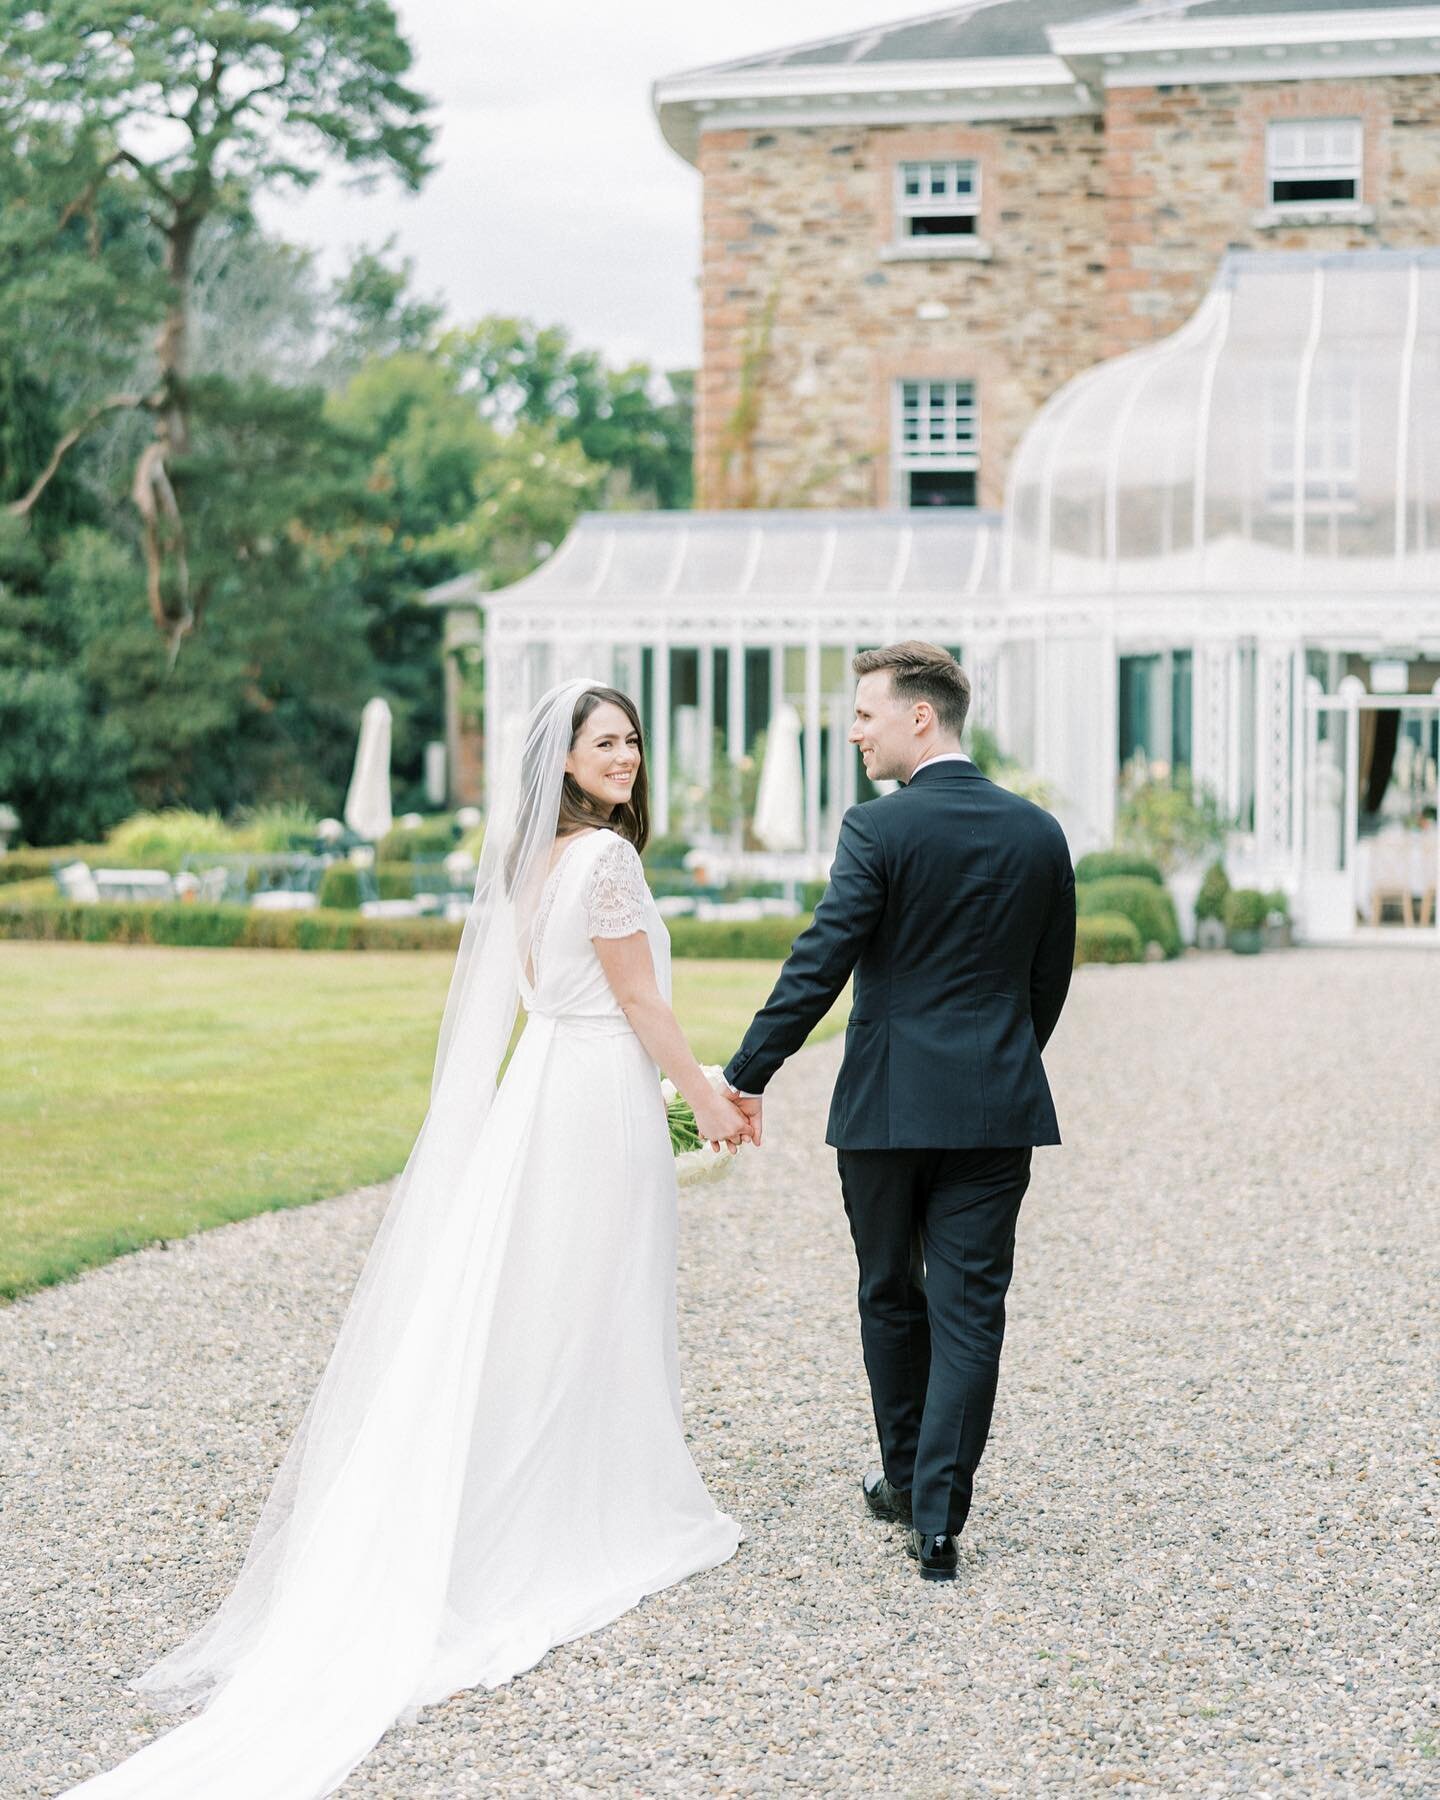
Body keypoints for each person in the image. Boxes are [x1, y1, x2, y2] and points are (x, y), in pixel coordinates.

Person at [65, 679, 747, 1799]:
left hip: (544, 1092)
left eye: (631, 740)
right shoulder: (608, 864)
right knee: (596, 1291)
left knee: (553, 1291)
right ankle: (584, 1496)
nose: (626, 757)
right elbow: (640, 1005)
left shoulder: (533, 863)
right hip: (588, 1095)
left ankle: (553, 1464)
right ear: (565, 762)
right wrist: (708, 1097)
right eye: (606, 742)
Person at [722, 642, 1075, 1582]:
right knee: (970, 1311)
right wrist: (998, 1062)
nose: (855, 730)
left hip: (883, 1110)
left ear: (922, 716)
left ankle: (901, 1474)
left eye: (867, 712)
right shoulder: (1038, 832)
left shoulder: (875, 830)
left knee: (890, 1293)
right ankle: (937, 1517)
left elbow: (820, 962)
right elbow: (1049, 981)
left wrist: (747, 1073)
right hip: (996, 1111)